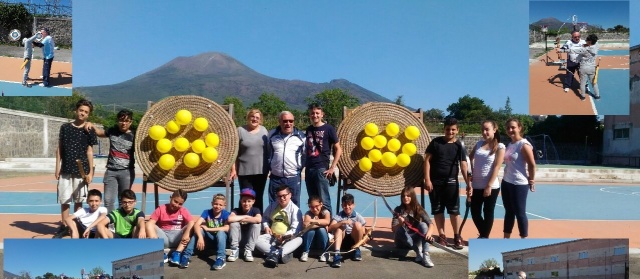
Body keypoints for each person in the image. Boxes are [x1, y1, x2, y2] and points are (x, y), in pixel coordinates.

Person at [423, 117, 471, 250]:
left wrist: (468, 183)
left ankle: (457, 236)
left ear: (457, 130)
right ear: (444, 129)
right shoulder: (435, 143)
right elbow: (427, 161)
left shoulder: (459, 145)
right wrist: (427, 179)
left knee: (454, 211)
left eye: (453, 129)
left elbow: (463, 165)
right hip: (435, 183)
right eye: (448, 129)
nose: (450, 132)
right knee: (438, 210)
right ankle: (442, 236)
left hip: (452, 183)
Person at [54, 99, 98, 238]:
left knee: (79, 201)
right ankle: (65, 226)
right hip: (66, 169)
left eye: (86, 112)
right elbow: (59, 149)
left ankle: (76, 226)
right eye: (81, 110)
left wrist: (90, 172)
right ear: (76, 110)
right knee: (65, 200)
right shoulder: (65, 127)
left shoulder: (89, 130)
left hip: (82, 171)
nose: (82, 113)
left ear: (88, 114)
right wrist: (57, 167)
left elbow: (90, 152)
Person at [85, 109, 136, 212]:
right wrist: (91, 124)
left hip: (127, 172)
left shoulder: (135, 135)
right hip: (111, 171)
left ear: (131, 122)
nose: (124, 123)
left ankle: (122, 223)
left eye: (127, 121)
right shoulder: (112, 131)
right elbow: (99, 133)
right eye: (121, 120)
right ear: (118, 121)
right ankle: (110, 223)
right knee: (108, 200)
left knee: (124, 201)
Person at [469, 120, 505, 238]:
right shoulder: (479, 144)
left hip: (491, 186)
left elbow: (497, 167)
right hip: (476, 185)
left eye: (487, 130)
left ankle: (484, 237)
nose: (484, 132)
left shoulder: (500, 147)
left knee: (488, 212)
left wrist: (488, 185)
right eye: (482, 130)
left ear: (494, 130)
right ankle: (484, 234)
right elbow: (470, 157)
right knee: (475, 213)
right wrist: (472, 172)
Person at [229, 109, 269, 213]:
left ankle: (257, 221)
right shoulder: (240, 130)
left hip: (261, 171)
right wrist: (233, 169)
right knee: (246, 197)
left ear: (260, 120)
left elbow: (268, 151)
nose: (254, 119)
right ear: (248, 118)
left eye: (257, 118)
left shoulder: (264, 130)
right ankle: (242, 221)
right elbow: (234, 152)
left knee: (258, 197)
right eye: (252, 117)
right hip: (244, 171)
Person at [305, 104, 342, 214]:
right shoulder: (308, 129)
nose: (314, 115)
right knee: (312, 200)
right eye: (312, 113)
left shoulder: (329, 128)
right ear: (309, 115)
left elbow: (338, 149)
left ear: (322, 114)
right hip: (309, 169)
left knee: (324, 200)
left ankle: (327, 226)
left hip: (322, 169)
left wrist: (332, 168)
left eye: (317, 113)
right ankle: (316, 223)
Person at [502, 118, 536, 239]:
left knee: (520, 213)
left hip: (519, 183)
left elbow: (532, 165)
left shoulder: (524, 145)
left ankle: (524, 238)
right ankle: (506, 238)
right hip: (506, 182)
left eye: (513, 127)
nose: (510, 130)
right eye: (508, 128)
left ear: (519, 128)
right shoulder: (510, 144)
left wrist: (531, 180)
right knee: (509, 212)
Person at [255, 185, 303, 268]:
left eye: (284, 196)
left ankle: (275, 254)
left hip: (287, 239)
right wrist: (266, 227)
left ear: (290, 195)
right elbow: (265, 218)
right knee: (256, 240)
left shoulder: (295, 209)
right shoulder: (272, 206)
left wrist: (284, 236)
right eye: (279, 196)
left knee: (300, 239)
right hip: (272, 237)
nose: (282, 198)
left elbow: (296, 229)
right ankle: (280, 254)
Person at [182, 193, 230, 270]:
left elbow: (226, 228)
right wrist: (200, 238)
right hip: (209, 239)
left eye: (220, 205)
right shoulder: (207, 212)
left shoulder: (225, 214)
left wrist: (208, 229)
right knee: (199, 230)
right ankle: (186, 255)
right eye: (216, 204)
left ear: (224, 205)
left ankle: (221, 258)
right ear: (212, 204)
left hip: (222, 240)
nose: (218, 206)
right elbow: (197, 224)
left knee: (221, 232)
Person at [268, 111, 305, 207]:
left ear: (294, 122)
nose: (288, 123)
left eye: (291, 121)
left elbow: (305, 155)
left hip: (293, 177)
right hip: (275, 177)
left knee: (294, 205)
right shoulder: (271, 135)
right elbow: (267, 153)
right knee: (273, 205)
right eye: (285, 121)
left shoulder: (301, 136)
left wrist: (298, 167)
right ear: (280, 121)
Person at [146, 189, 195, 263]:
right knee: (149, 224)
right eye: (175, 201)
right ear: (170, 198)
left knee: (191, 226)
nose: (176, 205)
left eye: (180, 204)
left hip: (178, 238)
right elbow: (151, 222)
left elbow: (191, 222)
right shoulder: (161, 209)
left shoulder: (183, 210)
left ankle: (177, 253)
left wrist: (187, 234)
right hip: (164, 237)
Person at [392, 186, 435, 267]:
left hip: (415, 239)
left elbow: (431, 224)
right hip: (401, 242)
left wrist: (429, 234)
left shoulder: (418, 209)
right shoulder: (398, 209)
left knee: (423, 225)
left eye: (408, 196)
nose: (405, 198)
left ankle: (426, 255)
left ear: (412, 197)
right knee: (400, 229)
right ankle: (418, 252)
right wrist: (400, 223)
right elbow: (394, 229)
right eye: (403, 196)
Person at [327, 193, 366, 268]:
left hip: (354, 241)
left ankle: (356, 249)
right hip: (342, 241)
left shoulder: (358, 216)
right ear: (342, 206)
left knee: (358, 224)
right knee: (339, 228)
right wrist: (341, 222)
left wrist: (364, 239)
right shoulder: (339, 216)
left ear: (353, 205)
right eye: (345, 205)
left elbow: (363, 230)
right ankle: (337, 254)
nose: (347, 207)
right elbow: (330, 228)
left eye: (349, 205)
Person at [227, 188, 263, 263]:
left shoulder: (255, 210)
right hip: (238, 238)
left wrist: (239, 218)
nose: (246, 204)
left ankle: (248, 251)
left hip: (250, 240)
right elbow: (230, 219)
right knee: (233, 223)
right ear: (241, 201)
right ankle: (234, 250)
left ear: (253, 201)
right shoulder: (236, 210)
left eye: (249, 201)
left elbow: (258, 220)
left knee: (257, 225)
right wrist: (246, 217)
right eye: (244, 201)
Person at [300, 195, 332, 262]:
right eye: (311, 207)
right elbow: (306, 226)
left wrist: (312, 221)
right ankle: (305, 251)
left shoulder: (325, 212)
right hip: (311, 241)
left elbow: (327, 221)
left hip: (322, 241)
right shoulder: (308, 213)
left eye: (316, 206)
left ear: (321, 204)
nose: (314, 209)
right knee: (311, 230)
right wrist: (321, 224)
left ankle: (325, 252)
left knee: (321, 230)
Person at [570, 34, 600, 100]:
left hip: (583, 67)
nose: (586, 41)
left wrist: (561, 50)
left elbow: (572, 50)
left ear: (589, 41)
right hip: (592, 67)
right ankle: (597, 95)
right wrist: (588, 44)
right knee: (594, 82)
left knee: (582, 83)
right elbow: (595, 42)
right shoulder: (597, 46)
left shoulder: (584, 49)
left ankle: (583, 96)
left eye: (587, 40)